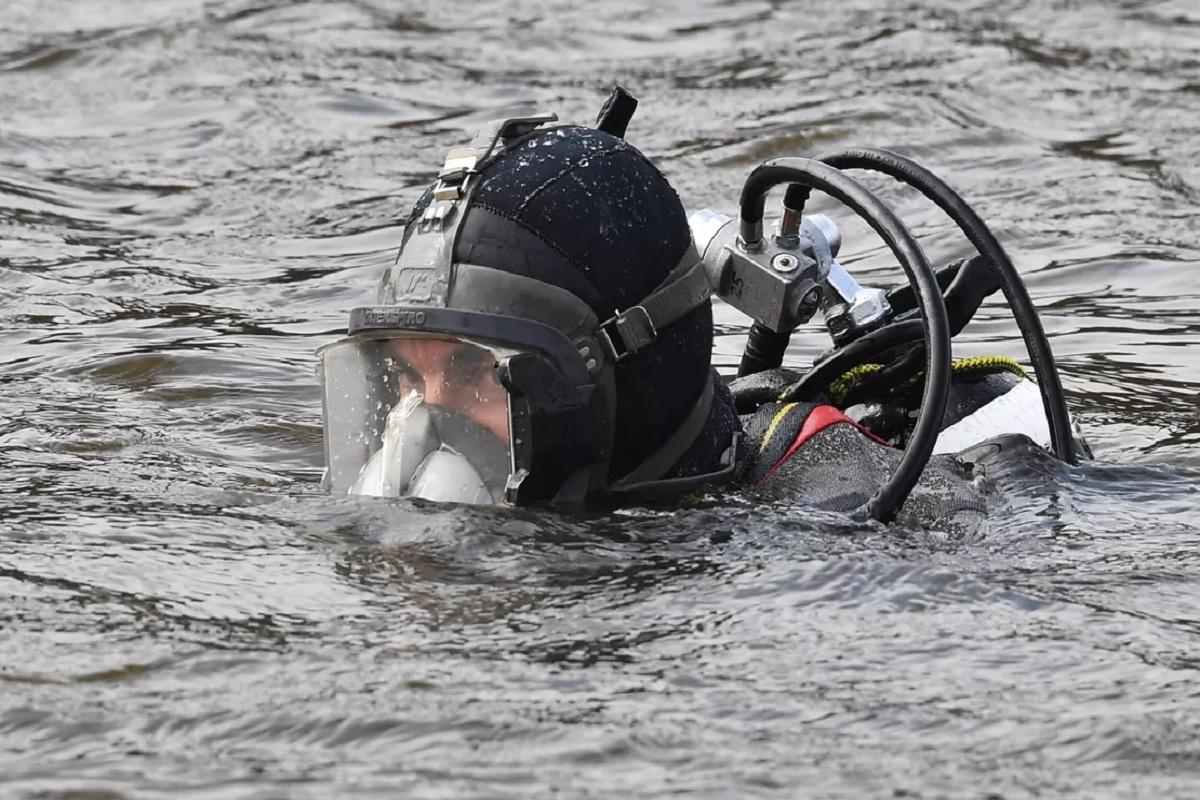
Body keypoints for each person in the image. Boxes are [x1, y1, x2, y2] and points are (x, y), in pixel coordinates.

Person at [317, 90, 1087, 529]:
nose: (422, 424)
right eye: (408, 381)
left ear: (613, 378)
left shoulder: (842, 520)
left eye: (474, 375)